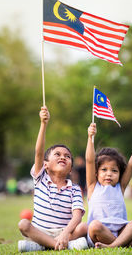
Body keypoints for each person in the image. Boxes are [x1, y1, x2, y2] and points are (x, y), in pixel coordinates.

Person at [17, 106, 88, 252]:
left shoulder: (74, 189)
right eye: (57, 154)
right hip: (40, 232)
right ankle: (61, 246)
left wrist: (65, 233)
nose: (63, 157)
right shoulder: (40, 178)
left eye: (67, 156)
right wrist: (43, 124)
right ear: (45, 165)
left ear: (70, 169)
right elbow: (38, 152)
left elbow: (77, 217)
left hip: (65, 231)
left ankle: (44, 246)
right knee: (24, 224)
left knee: (84, 226)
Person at [85, 123, 132, 249]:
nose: (109, 174)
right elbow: (89, 161)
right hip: (100, 233)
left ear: (120, 173)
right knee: (94, 225)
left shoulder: (120, 186)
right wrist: (90, 138)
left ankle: (113, 246)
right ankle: (125, 244)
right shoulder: (92, 186)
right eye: (104, 170)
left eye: (114, 171)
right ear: (96, 173)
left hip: (122, 231)